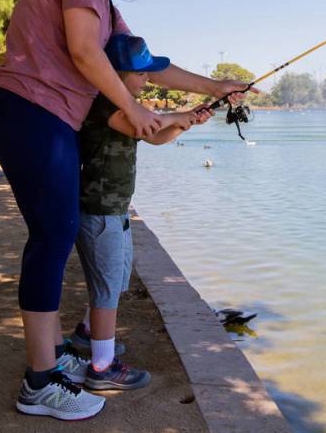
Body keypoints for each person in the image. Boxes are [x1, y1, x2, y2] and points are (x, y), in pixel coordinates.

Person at [0, 0, 252, 421]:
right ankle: (40, 383)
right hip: (32, 112)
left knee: (52, 237)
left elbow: (145, 63)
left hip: (39, 117)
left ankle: (53, 355)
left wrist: (218, 86)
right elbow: (85, 53)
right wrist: (133, 108)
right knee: (52, 239)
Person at [72, 34, 204, 391]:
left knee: (115, 281)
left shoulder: (129, 105)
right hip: (99, 211)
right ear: (115, 74)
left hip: (115, 209)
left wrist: (183, 124)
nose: (147, 79)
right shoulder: (106, 104)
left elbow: (155, 136)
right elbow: (146, 125)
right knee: (106, 289)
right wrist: (180, 115)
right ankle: (101, 368)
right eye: (141, 73)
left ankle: (87, 335)